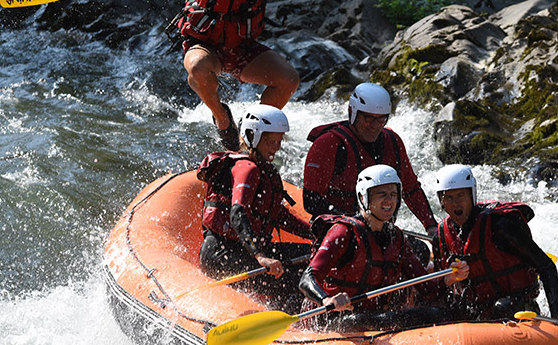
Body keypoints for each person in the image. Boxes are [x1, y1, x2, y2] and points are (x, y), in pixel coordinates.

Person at [162, 0, 303, 151]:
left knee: (289, 80)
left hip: (241, 47)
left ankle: (250, 134)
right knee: (197, 69)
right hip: (206, 46)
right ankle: (223, 119)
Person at [298, 165, 468, 330]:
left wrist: (449, 278)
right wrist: (326, 300)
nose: (390, 200)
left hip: (376, 316)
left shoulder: (397, 237)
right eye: (382, 194)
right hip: (333, 318)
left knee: (443, 313)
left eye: (394, 194)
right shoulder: (344, 232)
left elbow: (425, 287)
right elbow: (307, 279)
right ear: (364, 197)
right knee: (389, 319)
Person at [302, 82, 438, 260]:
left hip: (380, 231)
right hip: (339, 232)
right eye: (368, 118)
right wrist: (357, 222)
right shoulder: (329, 143)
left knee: (419, 251)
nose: (374, 125)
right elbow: (311, 201)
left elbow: (411, 189)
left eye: (381, 119)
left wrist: (431, 226)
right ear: (353, 112)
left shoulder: (393, 141)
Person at [197, 104, 312, 310]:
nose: (275, 147)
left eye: (278, 141)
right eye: (270, 141)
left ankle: (280, 306)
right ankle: (288, 324)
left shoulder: (264, 169)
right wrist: (260, 256)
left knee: (314, 255)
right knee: (299, 280)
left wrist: (316, 235)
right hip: (223, 255)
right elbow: (237, 212)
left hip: (247, 251)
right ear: (252, 136)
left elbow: (278, 216)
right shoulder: (246, 168)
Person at [431, 164, 558, 327]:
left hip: (515, 306)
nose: (455, 204)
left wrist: (557, 315)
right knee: (426, 314)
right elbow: (438, 288)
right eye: (448, 198)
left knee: (500, 308)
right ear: (441, 201)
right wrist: (448, 280)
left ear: (471, 195)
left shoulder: (500, 226)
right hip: (475, 310)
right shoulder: (441, 236)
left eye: (460, 196)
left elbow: (546, 266)